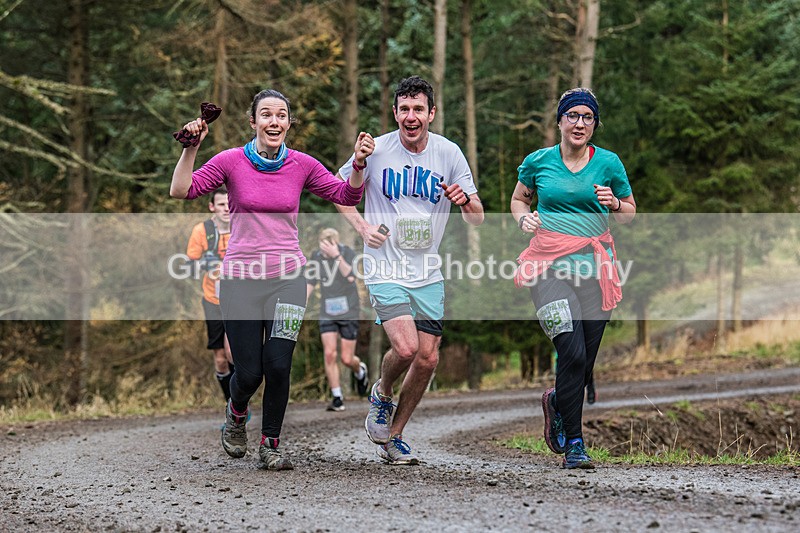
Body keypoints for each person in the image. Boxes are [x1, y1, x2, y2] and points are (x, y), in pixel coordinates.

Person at [170, 89, 372, 471]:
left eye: (281, 115)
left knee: (279, 364)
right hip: (240, 281)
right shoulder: (230, 161)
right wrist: (191, 148)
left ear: (289, 123)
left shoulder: (302, 165)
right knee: (248, 373)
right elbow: (182, 189)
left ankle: (271, 444)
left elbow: (346, 193)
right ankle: (236, 411)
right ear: (253, 122)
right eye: (266, 115)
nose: (274, 121)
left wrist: (359, 164)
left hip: (289, 279)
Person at [336, 76, 484, 465]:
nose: (411, 116)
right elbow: (341, 194)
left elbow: (477, 218)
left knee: (429, 358)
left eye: (419, 109)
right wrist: (363, 228)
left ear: (431, 113)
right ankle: (382, 393)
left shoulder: (449, 154)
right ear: (395, 113)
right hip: (384, 265)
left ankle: (394, 436)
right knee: (405, 347)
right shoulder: (377, 150)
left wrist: (464, 198)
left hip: (428, 271)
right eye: (404, 109)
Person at [510, 87, 635, 469]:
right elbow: (519, 199)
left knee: (582, 363)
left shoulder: (609, 164)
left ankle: (557, 404)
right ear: (560, 120)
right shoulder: (539, 161)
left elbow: (629, 212)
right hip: (547, 269)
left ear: (594, 124)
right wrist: (523, 218)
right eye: (573, 116)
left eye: (588, 118)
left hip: (596, 272)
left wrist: (615, 203)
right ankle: (576, 445)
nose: (580, 123)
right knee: (572, 350)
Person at [305, 227, 369, 411]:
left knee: (347, 359)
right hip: (327, 310)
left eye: (330, 245)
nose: (325, 249)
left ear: (336, 243)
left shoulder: (346, 253)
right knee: (329, 354)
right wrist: (299, 305)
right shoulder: (316, 257)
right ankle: (337, 397)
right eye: (323, 245)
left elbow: (350, 277)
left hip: (348, 309)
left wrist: (336, 256)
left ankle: (359, 370)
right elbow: (310, 282)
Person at [185, 187, 234, 406]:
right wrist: (207, 262)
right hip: (213, 300)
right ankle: (232, 405)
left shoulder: (244, 225)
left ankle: (240, 402)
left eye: (229, 203)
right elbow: (189, 267)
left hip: (241, 299)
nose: (226, 208)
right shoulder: (202, 230)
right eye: (221, 204)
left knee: (233, 353)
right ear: (212, 207)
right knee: (220, 358)